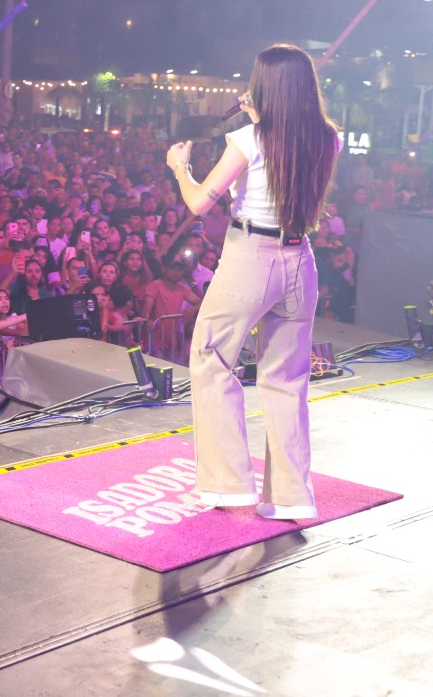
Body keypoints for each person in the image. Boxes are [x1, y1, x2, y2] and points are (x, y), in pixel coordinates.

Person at [168, 43, 339, 520]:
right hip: (300, 260)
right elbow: (287, 150)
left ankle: (229, 486)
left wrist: (179, 167)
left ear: (265, 85)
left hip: (251, 259)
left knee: (211, 357)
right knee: (287, 379)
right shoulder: (328, 137)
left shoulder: (249, 139)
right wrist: (258, 116)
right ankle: (290, 496)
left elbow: (201, 203)